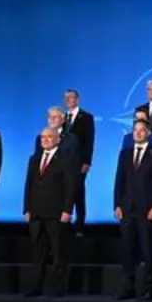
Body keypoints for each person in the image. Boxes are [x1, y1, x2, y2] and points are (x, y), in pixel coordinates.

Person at [113, 119, 152, 301]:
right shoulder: (125, 154)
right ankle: (128, 288)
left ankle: (148, 289)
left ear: (148, 134)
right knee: (127, 251)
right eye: (135, 130)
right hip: (127, 209)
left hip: (147, 210)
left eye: (142, 130)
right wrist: (117, 205)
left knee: (147, 251)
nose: (137, 133)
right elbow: (119, 182)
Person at [23, 127, 78, 297]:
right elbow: (29, 185)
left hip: (56, 214)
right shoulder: (34, 159)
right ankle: (36, 287)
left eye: (49, 137)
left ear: (58, 139)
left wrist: (67, 210)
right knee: (38, 254)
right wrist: (27, 208)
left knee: (58, 253)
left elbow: (70, 187)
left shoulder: (66, 159)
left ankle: (57, 288)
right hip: (36, 213)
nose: (45, 140)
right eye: (43, 137)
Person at [63, 89, 95, 232]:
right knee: (64, 191)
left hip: (79, 162)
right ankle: (65, 221)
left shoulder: (86, 117)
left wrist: (87, 161)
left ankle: (80, 223)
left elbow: (89, 141)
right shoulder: (62, 117)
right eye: (66, 98)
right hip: (63, 162)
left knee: (78, 191)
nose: (68, 100)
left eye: (71, 97)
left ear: (77, 99)